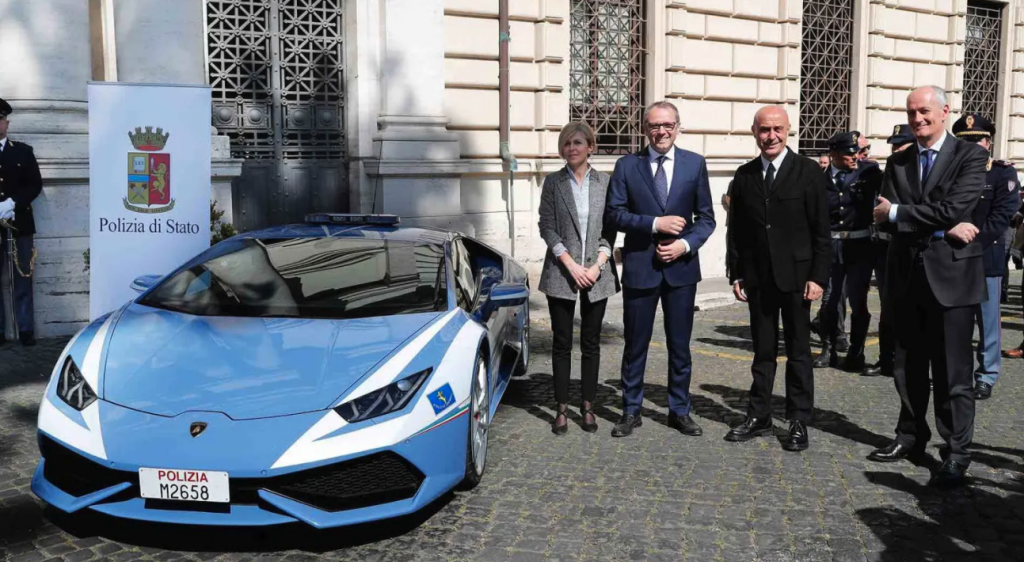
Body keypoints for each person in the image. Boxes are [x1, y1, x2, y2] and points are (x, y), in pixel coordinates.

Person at [868, 86, 988, 488]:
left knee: (954, 372)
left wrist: (908, 213)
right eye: (911, 112)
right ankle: (910, 436)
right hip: (906, 275)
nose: (917, 119)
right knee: (908, 367)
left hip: (952, 278)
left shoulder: (971, 155)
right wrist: (939, 222)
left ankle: (956, 452)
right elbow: (882, 216)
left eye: (924, 111)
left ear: (944, 111)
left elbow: (953, 207)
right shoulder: (899, 161)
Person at [604, 100, 716, 438]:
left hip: (681, 270)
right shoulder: (627, 165)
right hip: (641, 267)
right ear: (645, 129)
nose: (661, 131)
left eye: (667, 125)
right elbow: (614, 215)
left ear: (677, 127)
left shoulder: (694, 164)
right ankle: (630, 410)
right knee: (635, 343)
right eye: (654, 126)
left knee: (679, 345)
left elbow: (707, 218)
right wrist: (655, 223)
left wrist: (684, 244)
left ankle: (679, 409)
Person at [725, 105, 830, 452]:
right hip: (758, 278)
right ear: (754, 132)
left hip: (798, 278)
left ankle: (798, 419)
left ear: (788, 132)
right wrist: (736, 271)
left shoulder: (809, 172)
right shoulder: (744, 175)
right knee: (763, 351)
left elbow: (821, 231)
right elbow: (736, 230)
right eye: (764, 130)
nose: (771, 136)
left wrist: (819, 276)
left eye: (777, 130)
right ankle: (760, 416)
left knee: (799, 351)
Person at [538, 121, 620, 434]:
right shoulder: (553, 182)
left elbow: (610, 228)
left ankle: (587, 407)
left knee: (591, 343)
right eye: (566, 144)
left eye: (577, 143)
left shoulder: (605, 183)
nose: (571, 148)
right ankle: (560, 409)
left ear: (590, 147)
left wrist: (598, 264)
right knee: (561, 343)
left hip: (597, 273)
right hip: (562, 271)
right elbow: (546, 225)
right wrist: (570, 263)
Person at [948, 113, 1018, 401]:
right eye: (967, 142)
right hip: (953, 255)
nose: (974, 146)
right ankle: (958, 373)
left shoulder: (1002, 173)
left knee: (988, 321)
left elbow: (1002, 216)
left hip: (985, 256)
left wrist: (971, 240)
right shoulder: (951, 171)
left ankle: (986, 374)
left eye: (979, 140)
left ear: (989, 143)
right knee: (956, 321)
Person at [813, 132, 882, 372]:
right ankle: (828, 349)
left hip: (859, 246)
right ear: (833, 154)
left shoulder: (868, 173)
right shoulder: (818, 179)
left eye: (857, 151)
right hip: (830, 248)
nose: (855, 156)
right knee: (830, 303)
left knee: (859, 303)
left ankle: (856, 352)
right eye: (849, 153)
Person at [863, 125, 915, 377]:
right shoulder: (886, 173)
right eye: (894, 145)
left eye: (901, 144)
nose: (896, 149)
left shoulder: (920, 175)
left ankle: (908, 364)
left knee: (913, 309)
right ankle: (886, 359)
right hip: (885, 247)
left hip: (912, 248)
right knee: (888, 307)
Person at [0, 97, 42, 347]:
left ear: (7, 122)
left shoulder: (23, 151)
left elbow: (34, 184)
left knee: (22, 276)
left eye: (0, 120)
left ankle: (26, 328)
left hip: (20, 224)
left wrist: (11, 203)